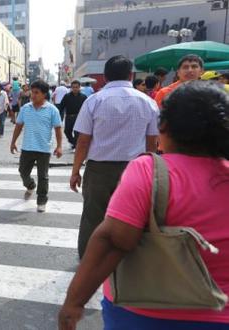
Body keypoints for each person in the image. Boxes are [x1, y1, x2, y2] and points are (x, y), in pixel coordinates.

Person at [59, 81, 229, 330]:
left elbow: (114, 241)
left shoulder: (148, 170)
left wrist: (73, 303)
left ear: (164, 126)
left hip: (145, 313)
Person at [70, 55, 159, 259]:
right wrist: (151, 170)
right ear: (130, 75)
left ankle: (88, 257)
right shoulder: (147, 102)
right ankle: (129, 259)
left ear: (105, 76)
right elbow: (152, 142)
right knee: (133, 216)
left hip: (98, 169)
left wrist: (75, 171)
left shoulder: (94, 100)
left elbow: (83, 141)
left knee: (93, 216)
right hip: (135, 169)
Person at [10, 80, 62, 212]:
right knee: (23, 172)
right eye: (32, 92)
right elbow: (19, 126)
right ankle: (30, 185)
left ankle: (42, 200)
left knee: (43, 176)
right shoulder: (25, 109)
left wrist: (59, 146)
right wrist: (13, 142)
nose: (33, 95)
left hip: (44, 149)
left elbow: (57, 129)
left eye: (36, 93)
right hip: (27, 147)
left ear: (44, 94)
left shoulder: (52, 110)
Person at [59, 80, 87, 149]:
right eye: (73, 87)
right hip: (69, 117)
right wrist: (58, 115)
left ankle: (76, 145)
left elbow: (87, 108)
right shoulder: (67, 96)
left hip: (79, 117)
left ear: (79, 87)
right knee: (67, 131)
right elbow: (61, 106)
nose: (75, 89)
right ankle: (74, 143)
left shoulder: (83, 97)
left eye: (76, 87)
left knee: (77, 133)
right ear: (71, 88)